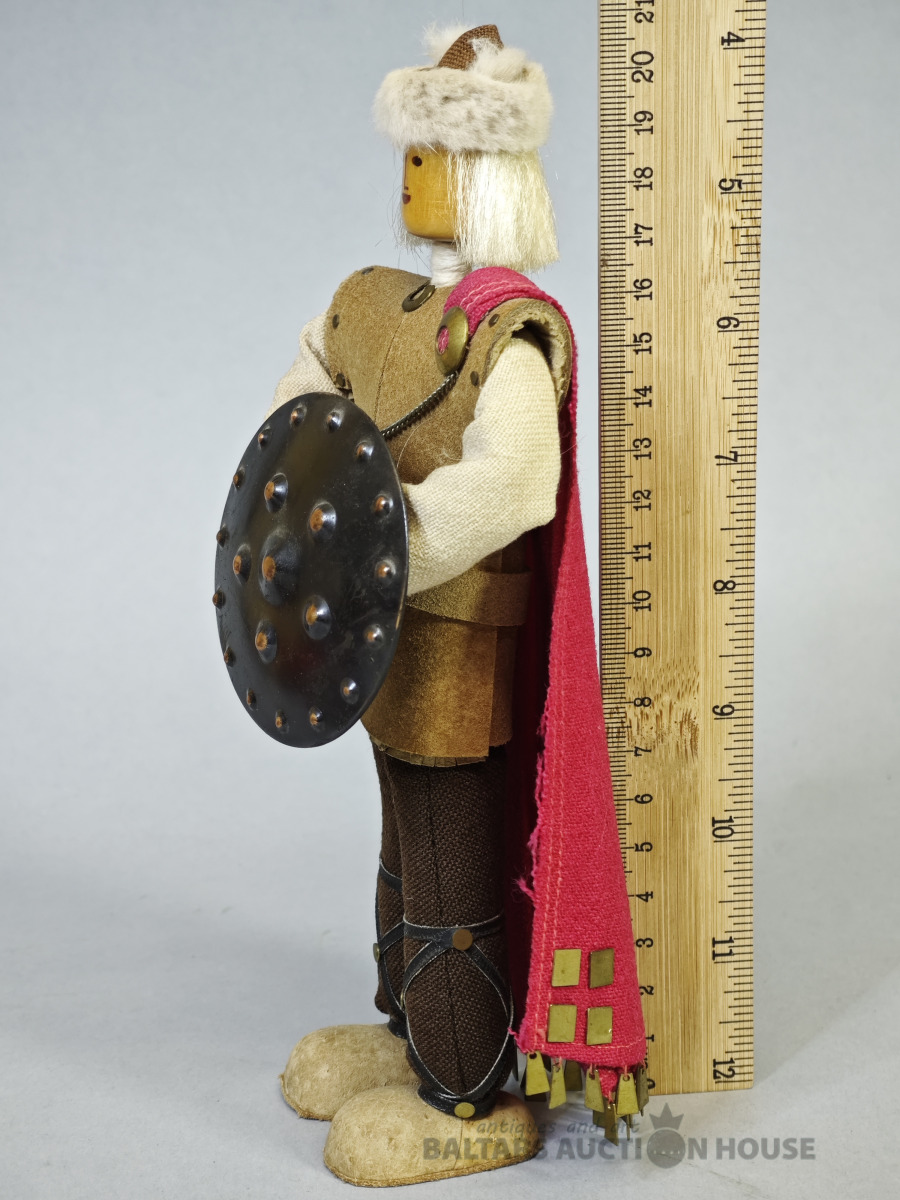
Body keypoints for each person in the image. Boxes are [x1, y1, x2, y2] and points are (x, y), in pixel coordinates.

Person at [268, 26, 646, 1186]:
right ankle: (407, 1035)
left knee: (446, 860)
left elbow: (518, 484)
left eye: (433, 155)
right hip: (374, 642)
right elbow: (307, 401)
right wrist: (305, 506)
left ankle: (468, 1092)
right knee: (401, 840)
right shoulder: (373, 303)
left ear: (486, 171)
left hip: (456, 648)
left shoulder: (507, 336)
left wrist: (383, 548)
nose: (413, 173)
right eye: (410, 152)